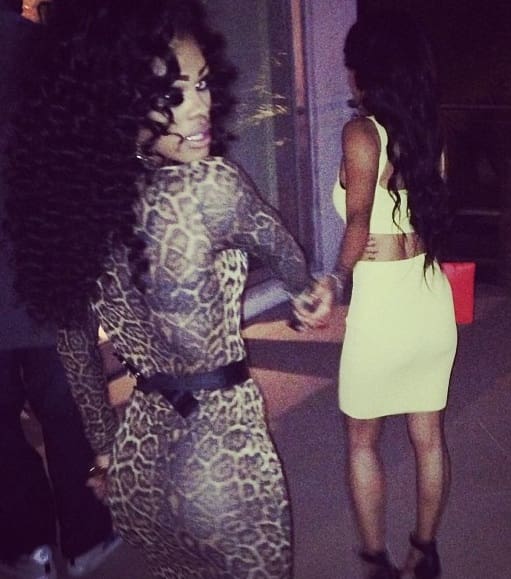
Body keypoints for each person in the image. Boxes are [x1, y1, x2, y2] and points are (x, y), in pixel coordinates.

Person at [4, 0, 331, 577]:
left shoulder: (82, 209)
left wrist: (106, 449)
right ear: (118, 102)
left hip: (139, 460)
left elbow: (76, 349)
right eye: (171, 95)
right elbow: (284, 252)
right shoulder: (212, 188)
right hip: (223, 461)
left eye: (201, 84)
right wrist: (308, 292)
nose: (200, 107)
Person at [327, 11, 457, 579]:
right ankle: (424, 553)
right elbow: (428, 216)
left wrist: (336, 279)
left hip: (382, 312)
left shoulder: (361, 133)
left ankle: (375, 562)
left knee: (362, 439)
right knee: (428, 438)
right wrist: (400, 239)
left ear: (369, 72)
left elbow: (358, 218)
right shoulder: (429, 131)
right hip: (429, 300)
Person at [0, 1, 121, 578]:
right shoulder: (50, 55)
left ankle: (30, 545)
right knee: (67, 412)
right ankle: (85, 536)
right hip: (50, 267)